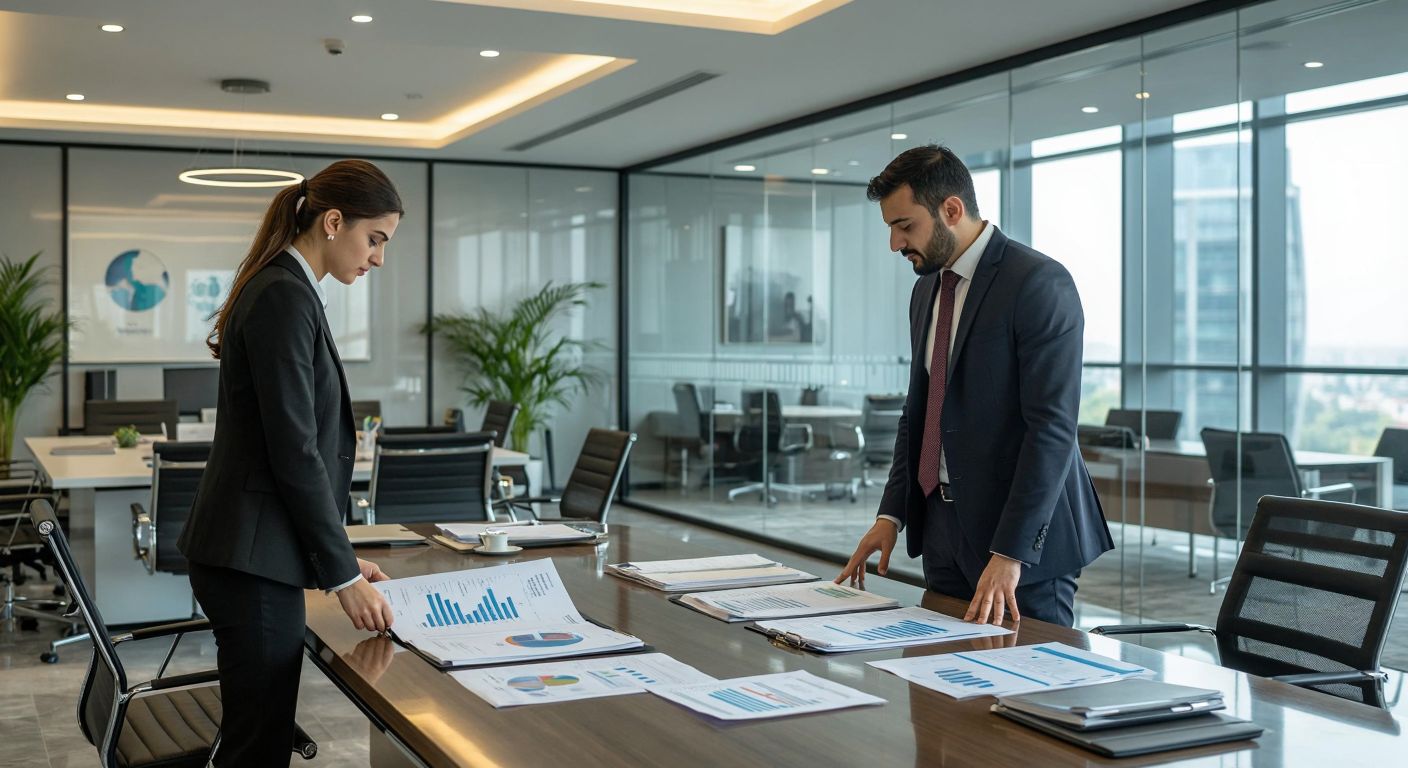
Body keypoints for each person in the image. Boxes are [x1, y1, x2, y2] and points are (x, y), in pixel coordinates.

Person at [179, 159, 403, 766]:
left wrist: (337, 559)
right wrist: (341, 576)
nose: (378, 257)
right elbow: (293, 450)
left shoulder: (288, 287)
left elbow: (285, 450)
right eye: (374, 238)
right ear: (334, 222)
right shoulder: (283, 293)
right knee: (259, 743)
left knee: (260, 733)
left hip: (255, 553)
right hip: (248, 564)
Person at [836, 145, 1112, 627]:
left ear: (951, 209)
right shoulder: (926, 290)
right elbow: (919, 414)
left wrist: (1010, 551)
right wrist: (891, 515)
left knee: (1023, 691)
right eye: (891, 229)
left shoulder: (1039, 284)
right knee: (935, 685)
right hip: (942, 532)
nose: (895, 244)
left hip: (1022, 545)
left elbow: (1051, 429)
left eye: (905, 226)